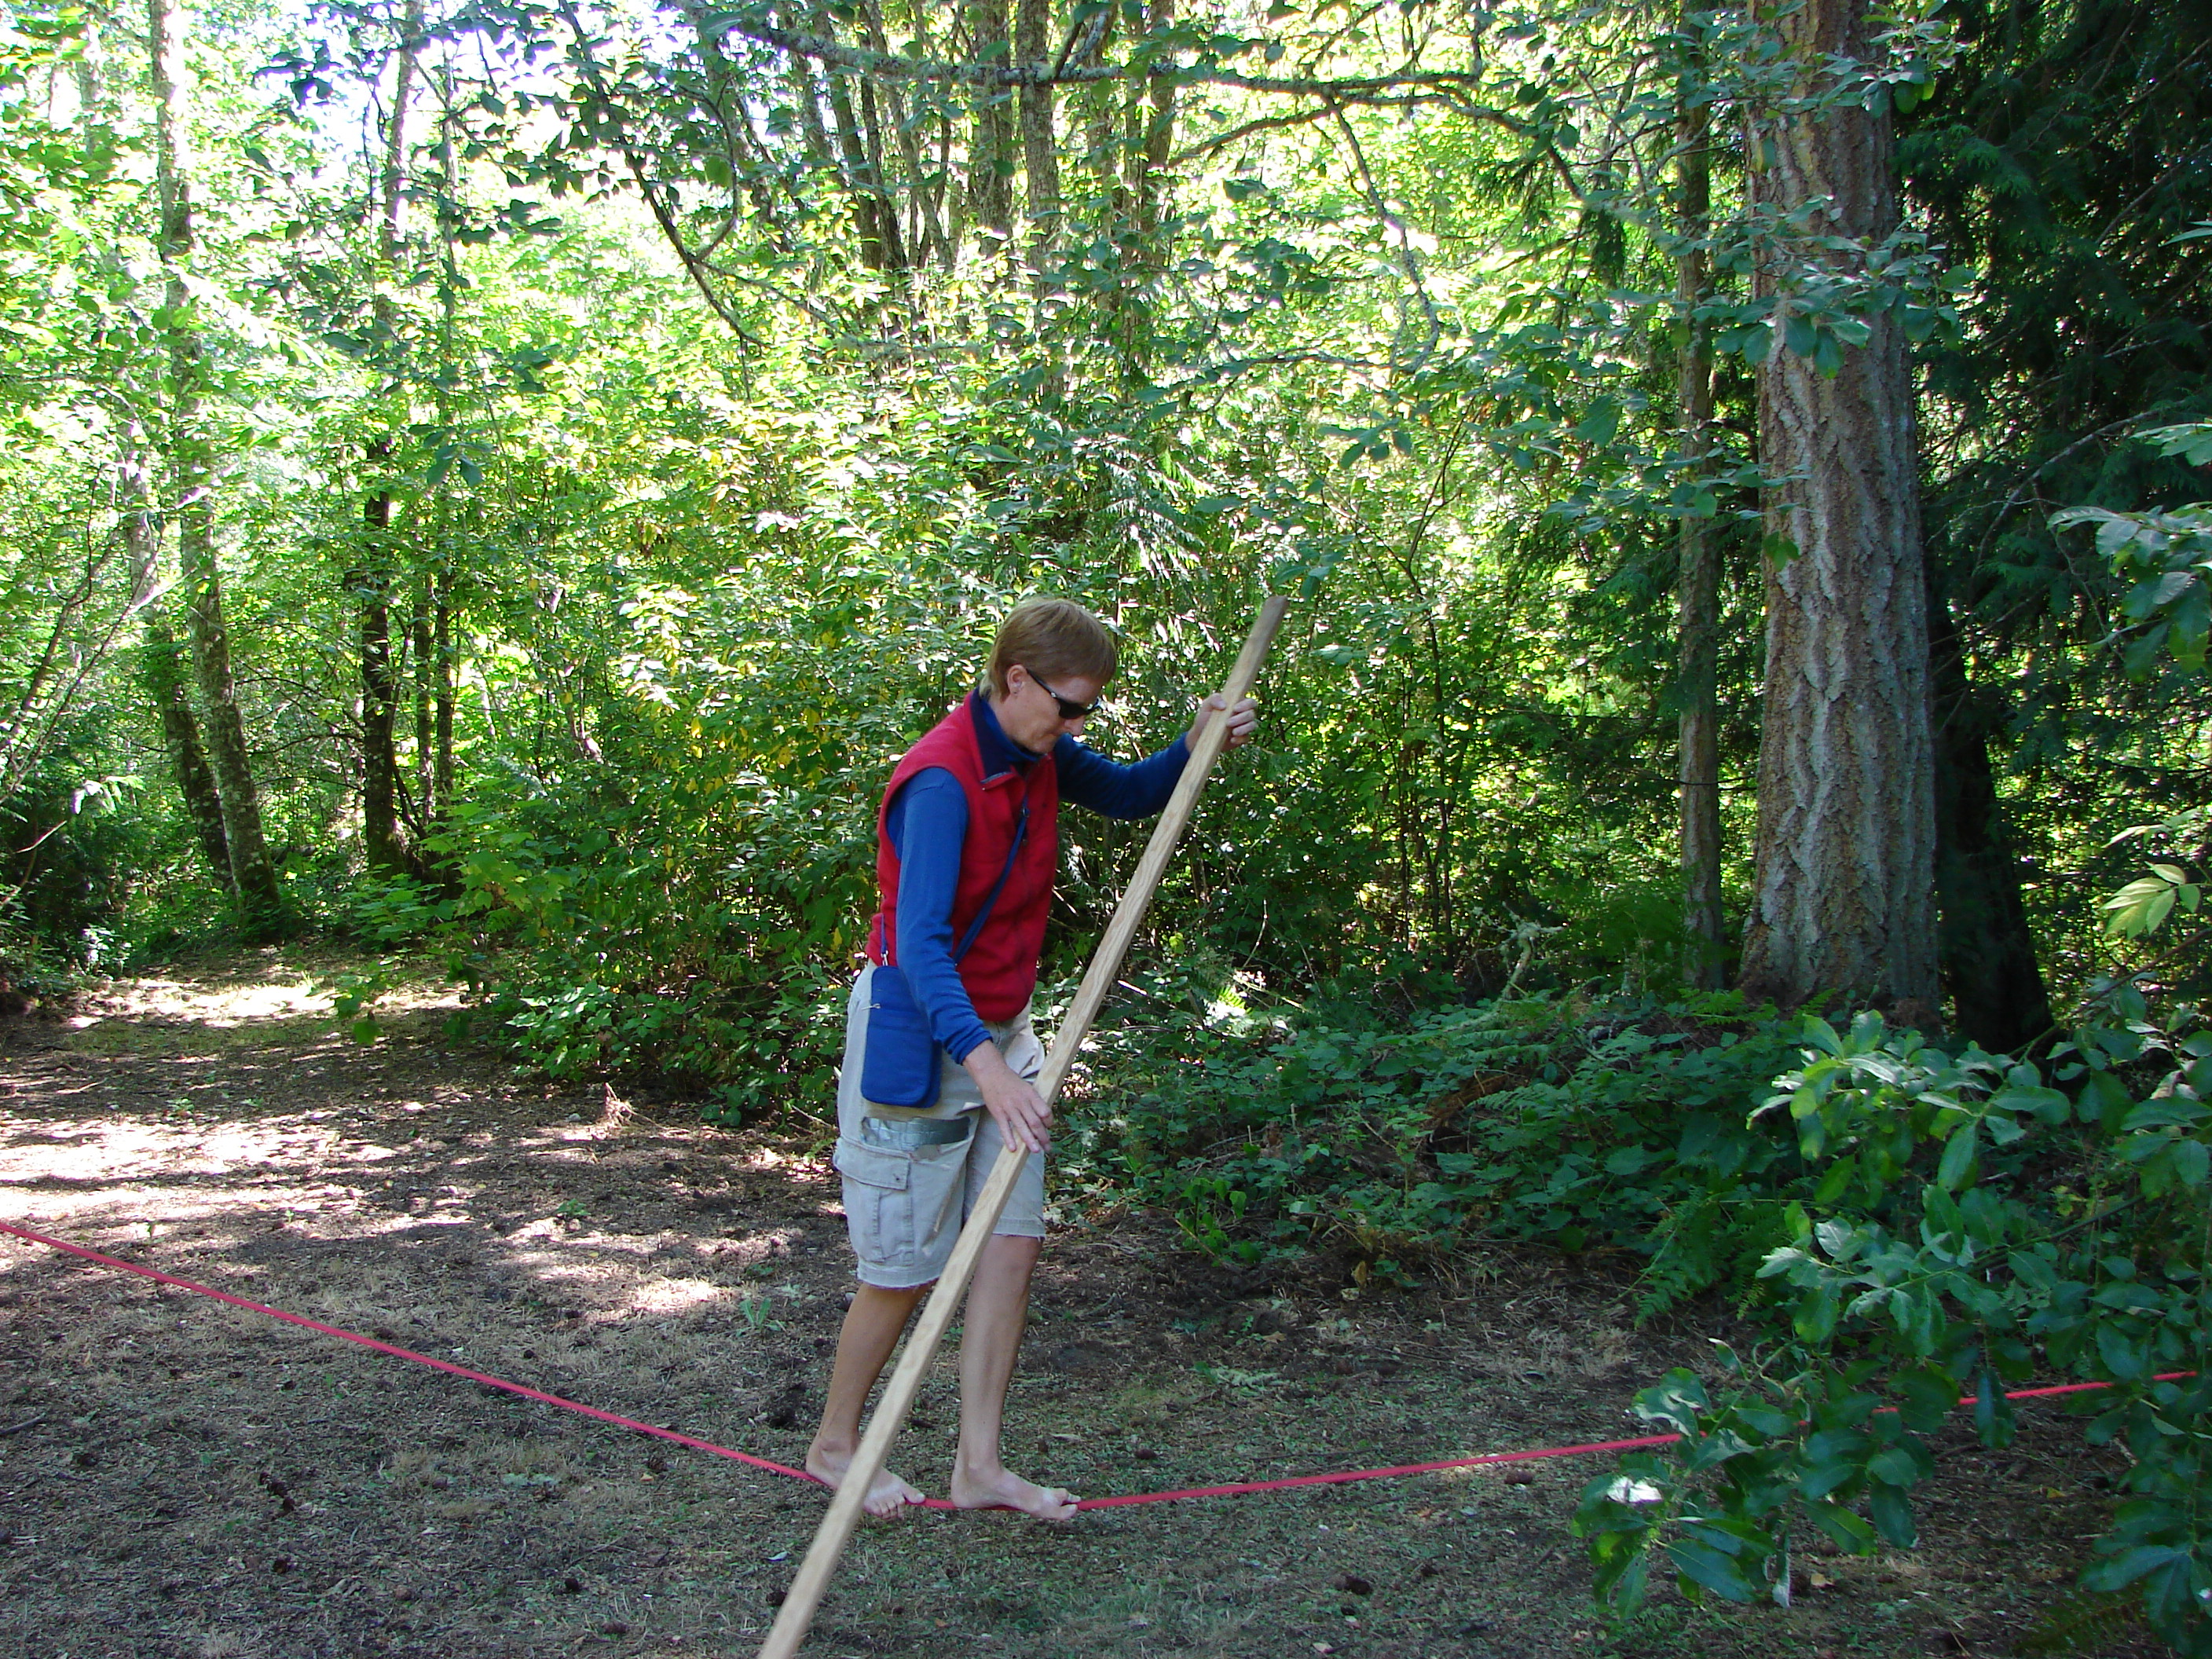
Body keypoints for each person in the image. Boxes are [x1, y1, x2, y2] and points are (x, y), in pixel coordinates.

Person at [804, 599, 1258, 1522]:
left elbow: (1134, 793)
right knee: (904, 1269)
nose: (1077, 723)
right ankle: (834, 1444)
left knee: (1010, 1246)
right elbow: (923, 946)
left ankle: (978, 1466)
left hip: (999, 1033)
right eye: (1070, 704)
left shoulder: (1036, 751)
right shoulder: (941, 781)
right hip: (923, 1041)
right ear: (1016, 679)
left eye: (1086, 709)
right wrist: (990, 1067)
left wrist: (1199, 742)